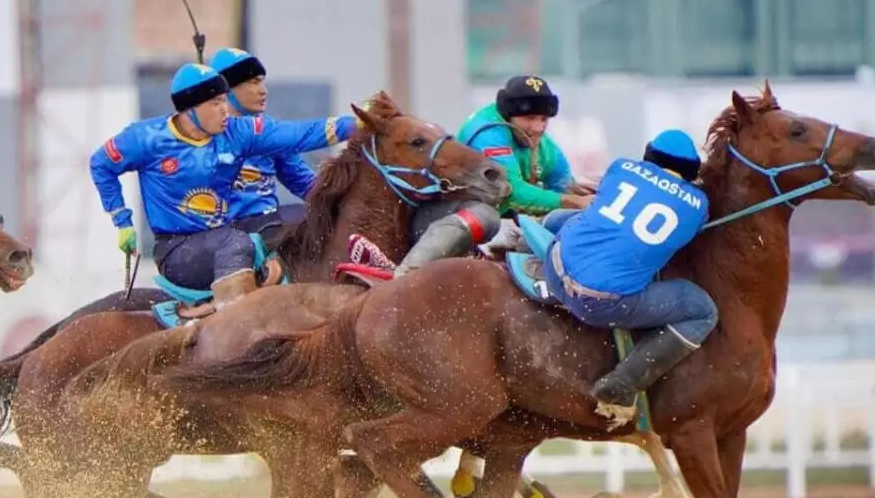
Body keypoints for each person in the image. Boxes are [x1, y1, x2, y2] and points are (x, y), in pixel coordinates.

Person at [90, 62, 355, 309]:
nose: (225, 109)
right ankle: (237, 333)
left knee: (309, 220)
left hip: (224, 235)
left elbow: (299, 134)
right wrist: (122, 221)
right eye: (216, 102)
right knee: (237, 244)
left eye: (224, 100)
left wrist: (356, 124)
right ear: (191, 108)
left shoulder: (237, 133)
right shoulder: (145, 138)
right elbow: (101, 164)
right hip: (177, 250)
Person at [542, 129, 717, 411]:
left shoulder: (622, 166)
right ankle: (622, 384)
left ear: (649, 156)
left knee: (579, 219)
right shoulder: (699, 206)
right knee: (703, 310)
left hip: (554, 266)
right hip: (599, 305)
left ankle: (520, 236)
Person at [393, 75, 594, 277]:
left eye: (543, 119)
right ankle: (407, 272)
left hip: (497, 224)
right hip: (439, 219)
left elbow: (564, 185)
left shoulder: (544, 145)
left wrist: (588, 200)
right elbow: (513, 193)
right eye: (530, 118)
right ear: (509, 115)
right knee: (486, 216)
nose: (538, 127)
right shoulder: (488, 133)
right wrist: (575, 202)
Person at [207, 47, 317, 283]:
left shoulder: (268, 131)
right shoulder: (204, 135)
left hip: (268, 223)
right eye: (254, 83)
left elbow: (305, 183)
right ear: (228, 90)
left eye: (263, 82)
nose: (263, 91)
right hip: (227, 233)